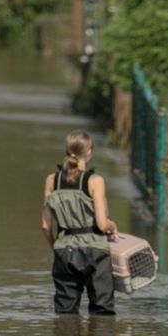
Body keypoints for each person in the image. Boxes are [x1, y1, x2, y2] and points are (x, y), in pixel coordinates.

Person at [42, 130, 118, 315]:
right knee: (102, 311)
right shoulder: (95, 181)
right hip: (94, 251)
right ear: (89, 151)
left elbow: (45, 225)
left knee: (65, 313)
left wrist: (56, 246)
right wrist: (113, 226)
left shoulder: (52, 180)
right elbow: (101, 224)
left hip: (64, 249)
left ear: (67, 151)